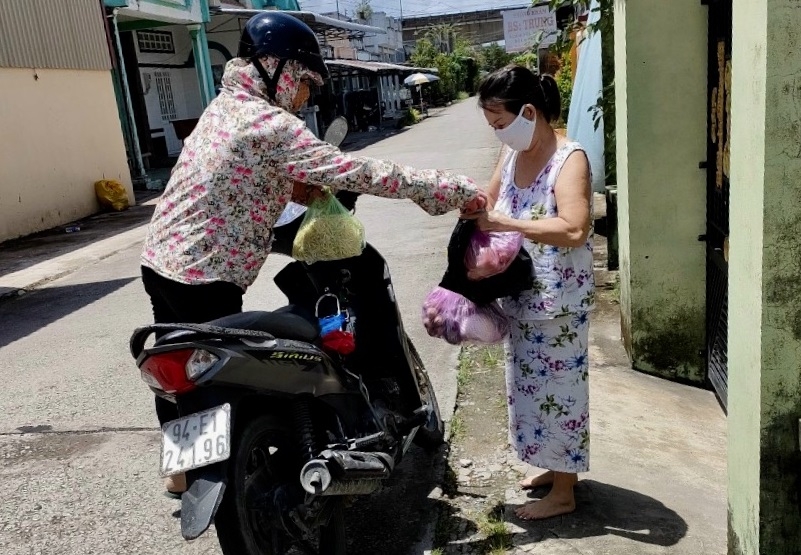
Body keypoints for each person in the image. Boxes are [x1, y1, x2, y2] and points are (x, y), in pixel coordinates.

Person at [140, 12, 486, 496]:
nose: (305, 95)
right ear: (274, 67)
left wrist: (305, 191)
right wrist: (448, 190)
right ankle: (252, 469)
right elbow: (356, 170)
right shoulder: (269, 122)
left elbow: (245, 180)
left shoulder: (225, 107)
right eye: (303, 81)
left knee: (187, 376)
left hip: (160, 261)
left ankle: (183, 471)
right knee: (223, 381)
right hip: (207, 272)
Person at [475, 65, 595, 520]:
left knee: (562, 393)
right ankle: (553, 467)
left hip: (558, 303)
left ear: (529, 111)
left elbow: (575, 228)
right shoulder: (511, 156)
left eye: (501, 124)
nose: (498, 135)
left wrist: (508, 223)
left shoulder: (570, 158)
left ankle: (564, 492)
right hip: (520, 297)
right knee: (530, 389)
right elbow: (488, 202)